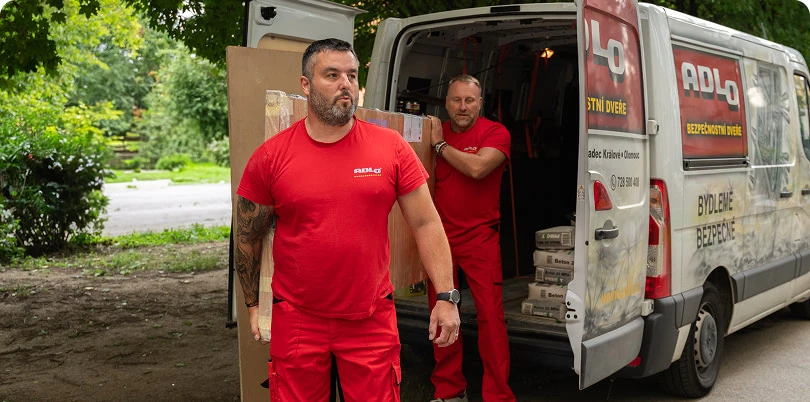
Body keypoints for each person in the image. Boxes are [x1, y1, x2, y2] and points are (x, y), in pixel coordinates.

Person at [234, 38, 461, 401]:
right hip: (298, 319)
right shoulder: (272, 156)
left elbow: (426, 224)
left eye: (352, 75)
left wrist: (447, 296)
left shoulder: (390, 147)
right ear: (305, 84)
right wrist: (252, 305)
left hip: (370, 318)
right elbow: (247, 234)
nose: (346, 84)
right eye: (332, 75)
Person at [428, 74, 516, 402]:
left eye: (469, 100)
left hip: (480, 237)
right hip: (440, 240)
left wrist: (440, 146)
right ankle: (449, 390)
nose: (462, 107)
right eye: (456, 100)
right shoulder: (435, 132)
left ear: (480, 103)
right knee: (442, 314)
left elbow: (478, 168)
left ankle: (498, 395)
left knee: (490, 317)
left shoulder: (495, 132)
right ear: (446, 103)